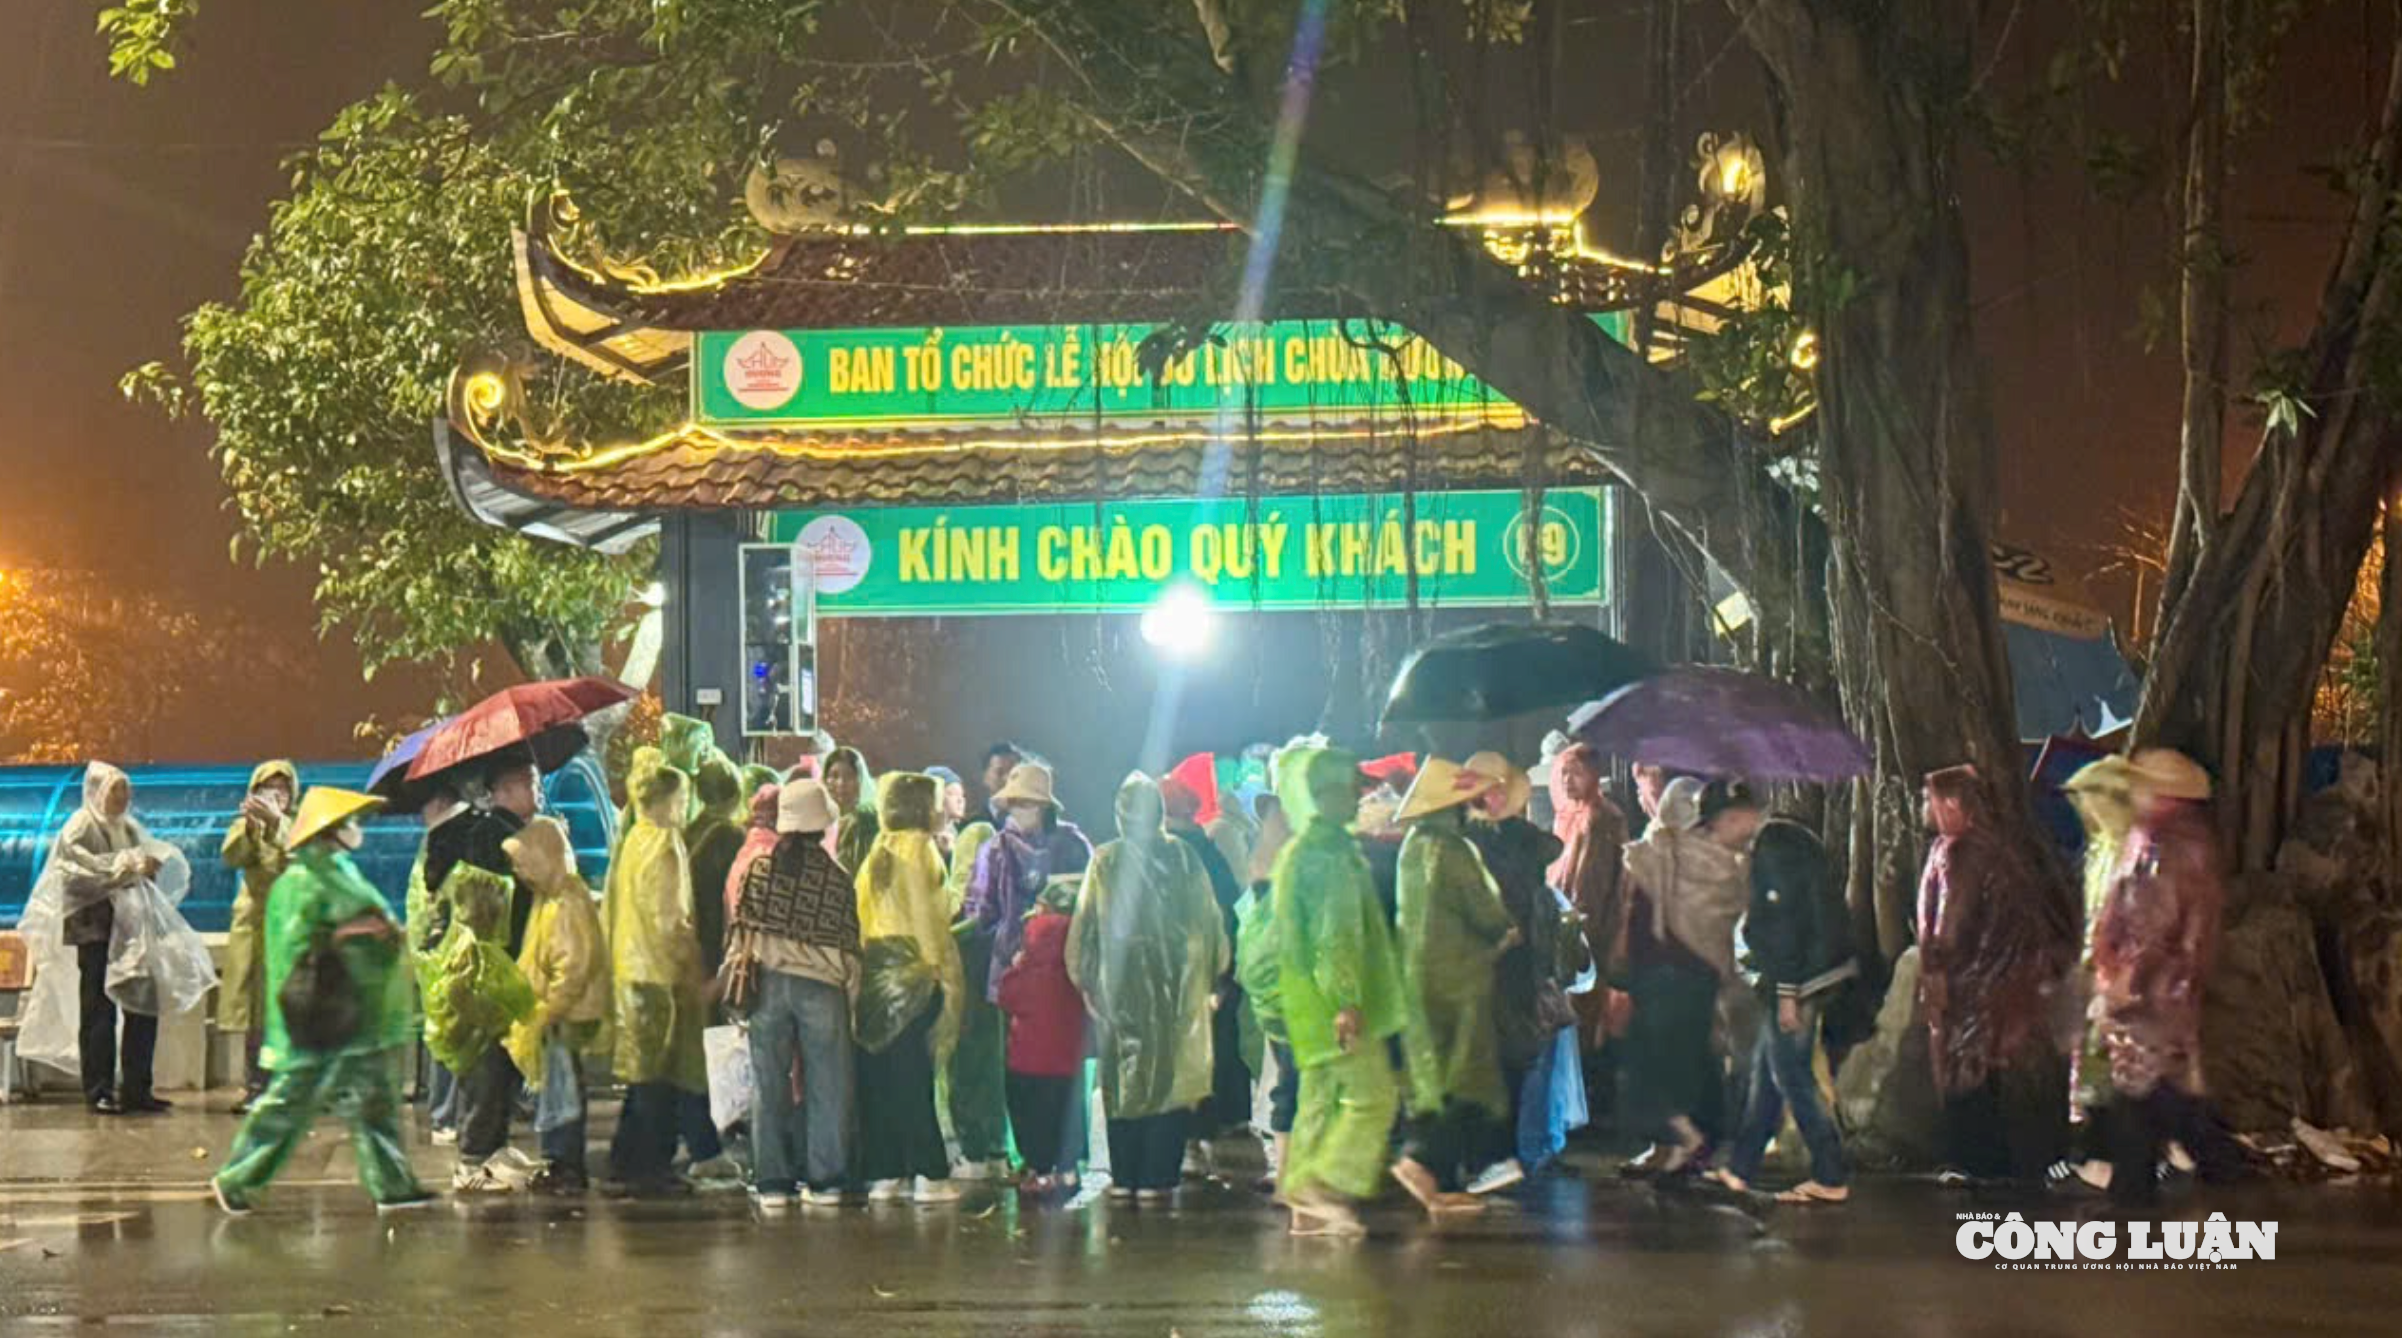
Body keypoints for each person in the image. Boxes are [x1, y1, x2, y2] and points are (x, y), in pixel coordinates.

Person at [213, 788, 432, 1214]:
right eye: (348, 824)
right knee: (288, 1104)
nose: (356, 830)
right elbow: (301, 941)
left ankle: (393, 1185)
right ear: (329, 831)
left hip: (357, 1014)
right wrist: (357, 932)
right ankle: (236, 1178)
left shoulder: (337, 869)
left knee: (373, 1103)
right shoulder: (302, 879)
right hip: (322, 1014)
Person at [1070, 773, 1229, 1204]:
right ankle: (1158, 1175)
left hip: (1119, 988)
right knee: (1168, 1078)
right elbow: (1208, 923)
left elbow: (1085, 926)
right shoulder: (1183, 857)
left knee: (1124, 1079)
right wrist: (1211, 977)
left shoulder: (1106, 860)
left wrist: (1086, 978)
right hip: (1177, 989)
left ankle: (1126, 1175)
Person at [1917, 764, 2076, 1185]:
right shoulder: (1989, 847)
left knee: (1965, 1066)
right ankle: (1997, 1160)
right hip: (1997, 979)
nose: (1923, 807)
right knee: (1982, 1066)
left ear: (1952, 803)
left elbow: (1952, 921)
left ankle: (1977, 1162)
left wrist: (1936, 968)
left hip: (1973, 981)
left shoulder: (1962, 853)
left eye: (1929, 798)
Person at [1272, 745, 1407, 1238]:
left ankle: (1307, 1210)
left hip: (1306, 1001)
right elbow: (1337, 934)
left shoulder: (1302, 850)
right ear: (1327, 794)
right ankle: (1322, 1185)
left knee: (1319, 1098)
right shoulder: (1331, 856)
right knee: (1375, 1097)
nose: (1357, 799)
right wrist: (1346, 1001)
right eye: (1351, 790)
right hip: (1337, 1002)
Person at [2092, 749, 2229, 1207]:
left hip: (2155, 994)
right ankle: (2202, 1168)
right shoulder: (2161, 841)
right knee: (2159, 1093)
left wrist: (2127, 978)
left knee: (2147, 1094)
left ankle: (2137, 1191)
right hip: (2162, 994)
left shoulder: (2168, 850)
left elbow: (2153, 925)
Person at [1713, 789, 1856, 1204]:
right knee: (1768, 1073)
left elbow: (1783, 927)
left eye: (1719, 824)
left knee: (1790, 1074)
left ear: (1738, 816)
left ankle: (1830, 1173)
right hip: (1807, 974)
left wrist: (1788, 993)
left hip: (1799, 979)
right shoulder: (1784, 840)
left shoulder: (1773, 849)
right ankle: (1740, 1169)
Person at [1390, 758, 1519, 1216]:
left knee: (1434, 1077)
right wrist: (1507, 930)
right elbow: (1485, 910)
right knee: (1467, 1076)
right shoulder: (1455, 850)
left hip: (1417, 977)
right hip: (1460, 976)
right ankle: (1423, 1162)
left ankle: (1440, 1181)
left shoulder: (1412, 845)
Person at [955, 761, 1093, 1178]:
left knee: (1047, 1068)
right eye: (1015, 803)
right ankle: (1046, 1158)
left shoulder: (1067, 844)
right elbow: (981, 908)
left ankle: (1053, 1158)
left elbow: (979, 913)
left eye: (1026, 803)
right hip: (1035, 977)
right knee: (1036, 1068)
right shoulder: (1001, 849)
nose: (1020, 811)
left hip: (1050, 974)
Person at [732, 779, 862, 1210]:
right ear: (821, 825)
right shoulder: (837, 878)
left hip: (767, 984)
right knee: (828, 1084)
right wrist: (852, 1001)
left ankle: (772, 1182)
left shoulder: (759, 869)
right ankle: (825, 1180)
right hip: (823, 988)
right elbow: (849, 950)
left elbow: (741, 935)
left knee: (768, 1083)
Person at [1616, 778, 1747, 1177]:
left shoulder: (1651, 853)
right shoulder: (1720, 859)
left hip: (1662, 975)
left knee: (1653, 1065)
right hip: (1699, 978)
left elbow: (1635, 916)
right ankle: (1675, 1148)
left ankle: (1685, 1140)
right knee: (1690, 1063)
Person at [853, 772, 967, 1204]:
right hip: (913, 970)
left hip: (875, 972)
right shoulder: (920, 847)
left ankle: (886, 1172)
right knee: (914, 1078)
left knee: (882, 1077)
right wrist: (936, 968)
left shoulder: (878, 848)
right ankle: (929, 1173)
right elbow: (926, 913)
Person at [1460, 750, 1571, 1188]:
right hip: (1509, 963)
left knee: (1503, 1057)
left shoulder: (1487, 841)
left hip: (1505, 963)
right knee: (1503, 1058)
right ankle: (1496, 1152)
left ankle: (1496, 1153)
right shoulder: (1505, 839)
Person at [604, 751, 711, 1197]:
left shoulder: (633, 838)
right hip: (659, 973)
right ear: (669, 801)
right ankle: (651, 1166)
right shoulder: (666, 844)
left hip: (630, 968)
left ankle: (624, 1158)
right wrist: (693, 963)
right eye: (682, 800)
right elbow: (671, 919)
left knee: (642, 1073)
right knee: (659, 1077)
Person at [448, 751, 544, 1191]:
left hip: (509, 964)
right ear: (503, 790)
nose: (536, 791)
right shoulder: (491, 836)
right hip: (496, 965)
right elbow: (486, 905)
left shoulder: (512, 832)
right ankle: (474, 1157)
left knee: (505, 1062)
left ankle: (495, 1145)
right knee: (489, 1062)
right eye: (529, 783)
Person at [502, 816, 609, 1195]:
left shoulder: (566, 903)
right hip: (555, 1012)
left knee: (562, 1092)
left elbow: (573, 967)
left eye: (524, 863)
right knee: (557, 1088)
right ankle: (558, 1162)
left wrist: (549, 1011)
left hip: (564, 1014)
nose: (519, 872)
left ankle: (565, 1166)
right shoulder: (551, 898)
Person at [54, 762, 166, 1115]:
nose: (121, 797)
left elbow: (139, 869)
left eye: (124, 789)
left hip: (130, 931)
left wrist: (147, 868)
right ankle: (99, 1089)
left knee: (142, 1007)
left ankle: (137, 1088)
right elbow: (73, 872)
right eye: (114, 789)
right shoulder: (81, 825)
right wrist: (121, 868)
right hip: (95, 931)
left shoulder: (129, 828)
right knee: (99, 1011)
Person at [2055, 755, 2136, 1193]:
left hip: (2118, 980)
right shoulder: (2102, 849)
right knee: (2100, 1072)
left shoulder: (2131, 853)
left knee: (2112, 1072)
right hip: (2099, 975)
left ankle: (2106, 1160)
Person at [1161, 764, 1250, 1149]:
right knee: (1223, 1036)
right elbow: (1231, 900)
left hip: (1183, 964)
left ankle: (1195, 1130)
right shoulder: (1208, 848)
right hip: (1219, 957)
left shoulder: (1169, 852)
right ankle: (1232, 1115)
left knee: (1189, 1045)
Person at [997, 878, 1089, 1196]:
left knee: (1032, 1117)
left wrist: (1014, 967)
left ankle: (1041, 1172)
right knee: (1065, 1114)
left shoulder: (1029, 963)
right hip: (1068, 1059)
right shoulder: (1077, 962)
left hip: (1028, 1059)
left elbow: (1008, 996)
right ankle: (1068, 1171)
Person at [220, 760, 298, 1112]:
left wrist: (277, 824)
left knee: (286, 1009)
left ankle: (285, 1086)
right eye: (268, 789)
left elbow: (301, 855)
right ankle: (255, 1085)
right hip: (254, 925)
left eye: (283, 788)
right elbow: (231, 857)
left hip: (288, 925)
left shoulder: (298, 824)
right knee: (254, 1013)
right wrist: (252, 829)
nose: (276, 795)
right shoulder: (244, 825)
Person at [1547, 742, 1629, 1051]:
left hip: (1590, 928)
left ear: (1594, 775)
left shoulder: (1602, 818)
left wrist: (1579, 931)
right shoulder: (1568, 816)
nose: (1568, 781)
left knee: (1587, 1012)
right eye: (1564, 773)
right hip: (1568, 923)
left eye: (1577, 773)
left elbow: (1593, 884)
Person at [408, 780, 475, 1143]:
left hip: (442, 953)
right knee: (452, 1038)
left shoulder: (444, 837)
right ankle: (448, 1116)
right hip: (448, 953)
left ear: (438, 803)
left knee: (447, 1036)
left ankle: (446, 1116)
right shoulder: (448, 835)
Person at [1236, 788, 1295, 1191]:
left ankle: (1285, 1165)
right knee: (1290, 1078)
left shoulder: (1262, 857)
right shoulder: (1292, 863)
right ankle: (1288, 1169)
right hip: (1289, 986)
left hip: (1268, 986)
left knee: (1281, 1074)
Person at [685, 757, 747, 990]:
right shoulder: (733, 836)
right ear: (736, 795)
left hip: (691, 935)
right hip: (718, 937)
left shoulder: (686, 832)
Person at [825, 747, 880, 874]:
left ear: (861, 780)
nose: (841, 783)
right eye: (834, 776)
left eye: (849, 776)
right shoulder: (818, 822)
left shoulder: (865, 821)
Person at [926, 765, 968, 857]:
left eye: (962, 795)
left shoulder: (963, 833)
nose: (960, 800)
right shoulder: (923, 838)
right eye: (952, 794)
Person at [980, 742, 1028, 816]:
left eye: (1014, 773)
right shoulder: (973, 821)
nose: (1007, 779)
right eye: (1000, 772)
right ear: (985, 777)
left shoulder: (1039, 818)